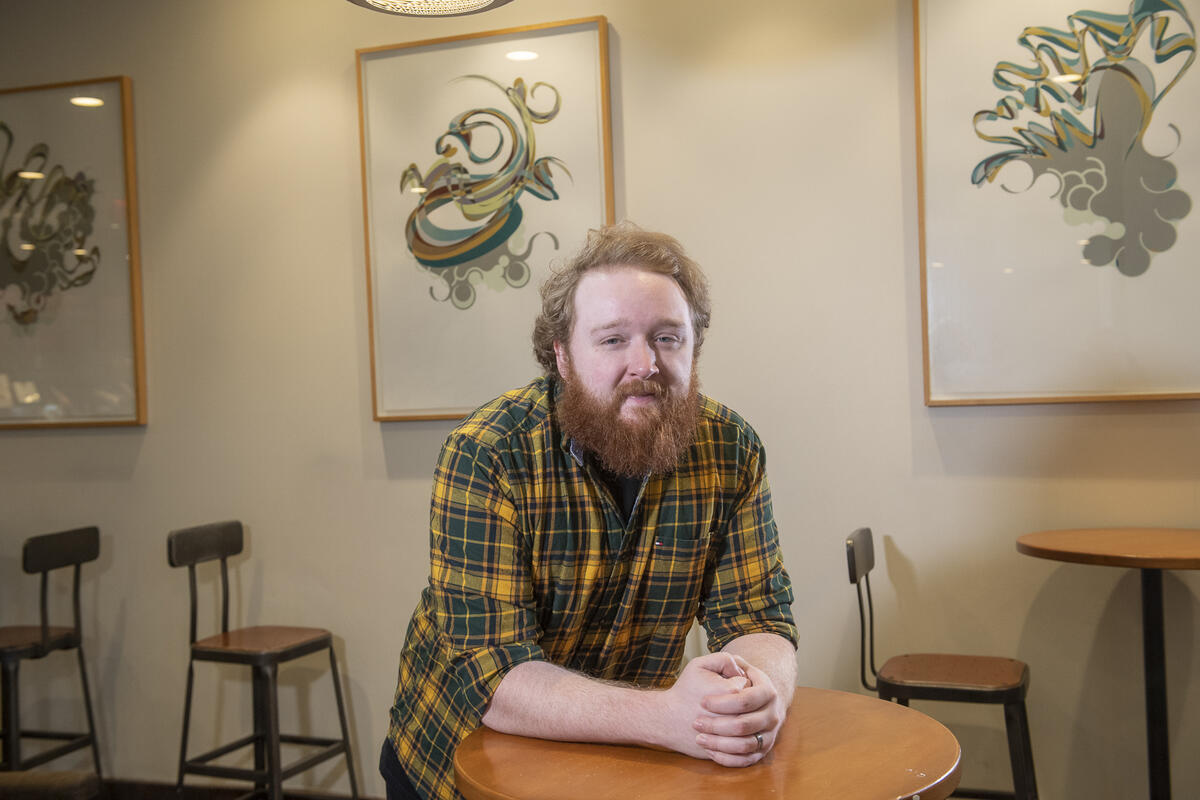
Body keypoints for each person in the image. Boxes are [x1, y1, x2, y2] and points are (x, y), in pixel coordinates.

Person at [380, 223, 798, 800]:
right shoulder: (487, 454)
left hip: (622, 763)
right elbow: (492, 675)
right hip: (461, 768)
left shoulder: (731, 449)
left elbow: (758, 619)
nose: (645, 363)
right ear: (563, 356)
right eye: (612, 340)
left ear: (694, 347)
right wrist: (667, 717)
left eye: (668, 337)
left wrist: (757, 696)